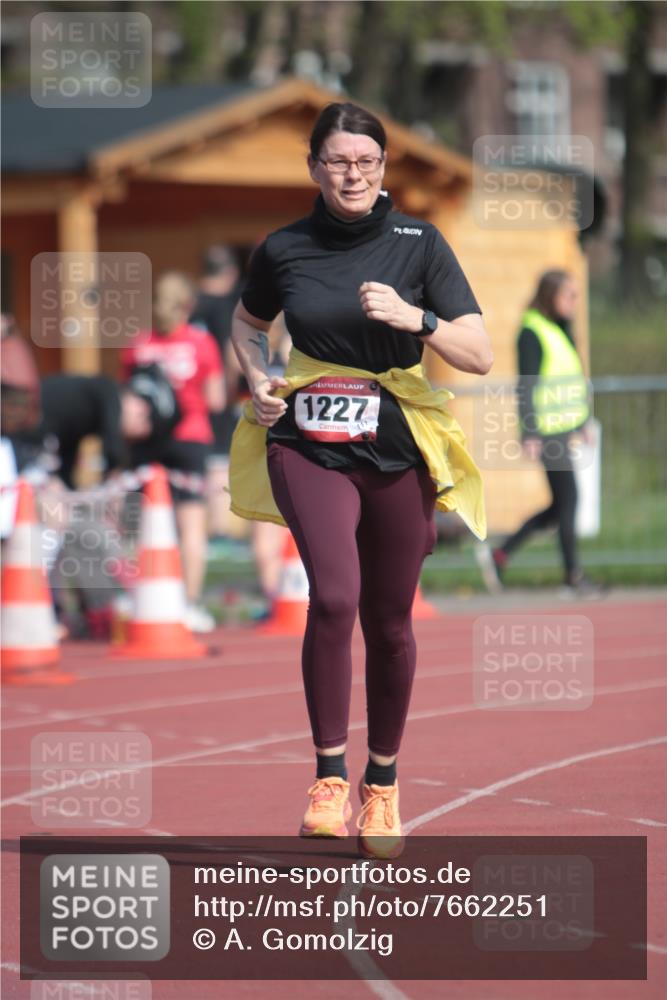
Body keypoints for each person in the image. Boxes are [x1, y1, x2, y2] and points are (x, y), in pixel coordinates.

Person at [229, 102, 492, 858]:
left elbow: (477, 353)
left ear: (382, 168)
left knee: (390, 619)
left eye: (366, 161)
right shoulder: (284, 248)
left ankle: (382, 786)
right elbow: (247, 324)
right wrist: (256, 378)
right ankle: (327, 777)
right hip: (307, 441)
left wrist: (417, 320)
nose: (353, 173)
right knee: (334, 596)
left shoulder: (419, 242)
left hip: (396, 444)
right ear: (314, 166)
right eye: (339, 160)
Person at [121, 272, 226, 633]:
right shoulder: (201, 342)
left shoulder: (138, 344)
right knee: (191, 527)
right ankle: (190, 606)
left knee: (140, 527)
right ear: (188, 305)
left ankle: (140, 601)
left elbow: (129, 401)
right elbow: (215, 400)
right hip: (190, 438)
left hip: (146, 444)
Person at [491, 270, 602, 597]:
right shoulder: (532, 331)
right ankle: (573, 575)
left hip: (564, 428)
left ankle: (502, 552)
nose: (574, 302)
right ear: (550, 295)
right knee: (569, 501)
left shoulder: (560, 329)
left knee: (560, 505)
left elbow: (568, 380)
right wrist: (531, 431)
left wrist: (582, 423)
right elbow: (526, 385)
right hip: (547, 431)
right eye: (568, 295)